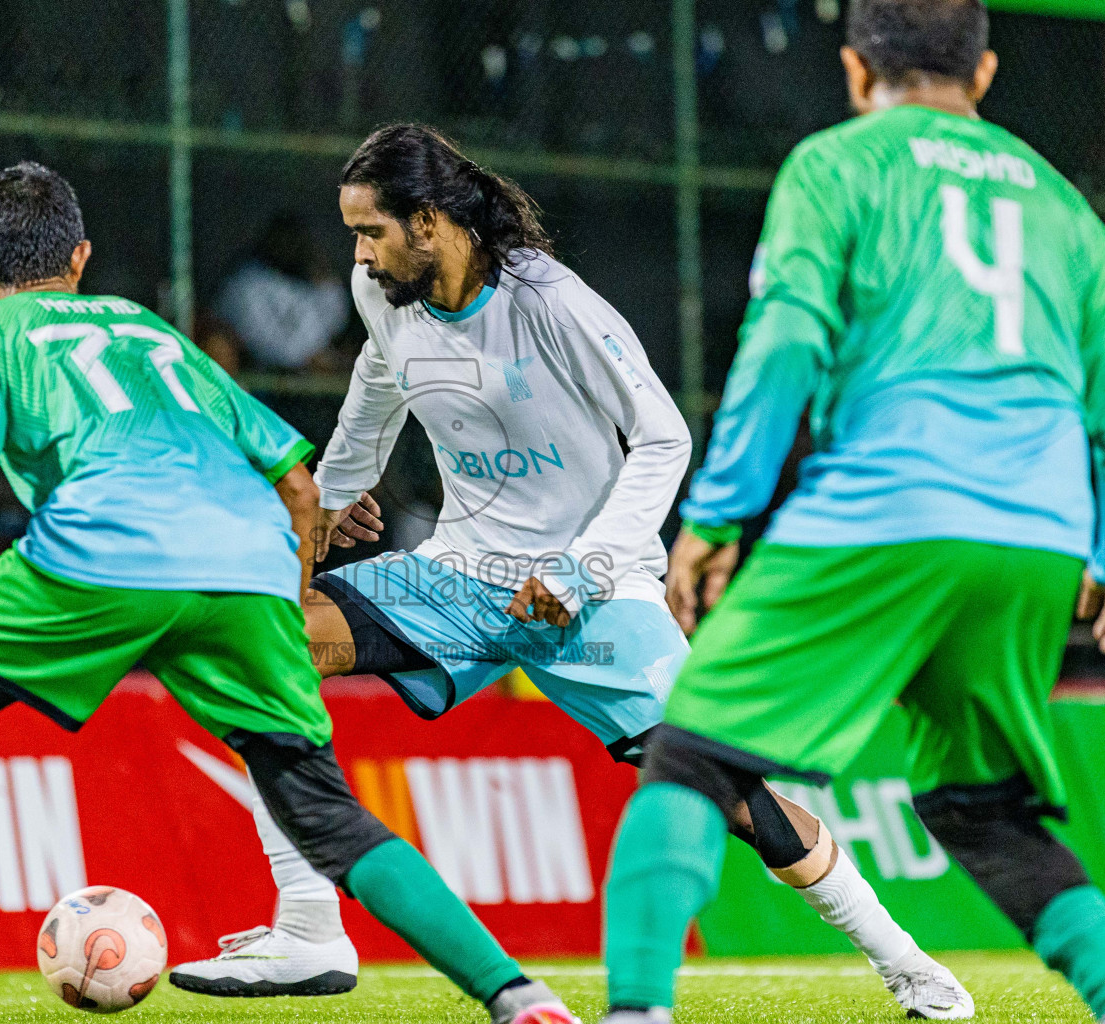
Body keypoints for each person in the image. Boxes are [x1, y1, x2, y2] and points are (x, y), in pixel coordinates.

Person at [170, 124, 973, 1020]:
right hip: (460, 576)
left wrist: (583, 567)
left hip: (598, 593)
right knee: (259, 645)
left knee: (742, 804)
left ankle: (911, 968)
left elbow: (666, 437)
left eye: (373, 231)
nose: (357, 253)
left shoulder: (552, 302)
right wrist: (330, 495)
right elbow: (380, 380)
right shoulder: (380, 291)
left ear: (429, 222)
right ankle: (312, 927)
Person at [0, 161, 575, 1024]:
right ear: (79, 257)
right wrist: (286, 596)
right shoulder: (151, 332)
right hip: (249, 566)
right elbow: (299, 485)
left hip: (104, 549)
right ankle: (520, 998)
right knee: (323, 811)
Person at [596, 2, 1105, 1023]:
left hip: (886, 509)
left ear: (858, 71)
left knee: (693, 756)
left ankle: (637, 1010)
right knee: (982, 808)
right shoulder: (1061, 205)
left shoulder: (836, 164)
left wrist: (720, 514)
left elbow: (786, 341)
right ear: (985, 74)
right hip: (1038, 540)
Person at [214, 211, 352, 373]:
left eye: (297, 241)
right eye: (284, 240)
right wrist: (310, 356)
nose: (291, 247)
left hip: (308, 378)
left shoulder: (307, 282)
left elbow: (334, 324)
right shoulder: (245, 283)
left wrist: (324, 282)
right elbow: (264, 343)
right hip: (258, 378)